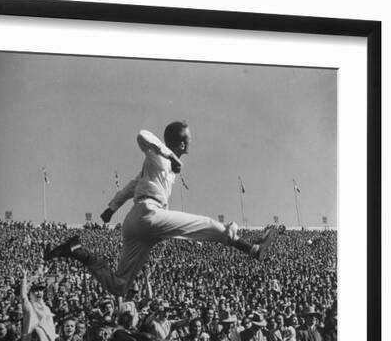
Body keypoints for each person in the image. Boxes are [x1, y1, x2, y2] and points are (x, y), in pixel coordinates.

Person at [44, 121, 279, 296]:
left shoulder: (158, 167)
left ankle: (77, 251)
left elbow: (131, 186)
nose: (190, 143)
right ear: (182, 143)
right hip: (149, 214)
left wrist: (112, 207)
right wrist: (170, 156)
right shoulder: (159, 158)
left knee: (120, 286)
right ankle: (253, 249)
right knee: (207, 224)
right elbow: (142, 135)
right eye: (188, 139)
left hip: (136, 223)